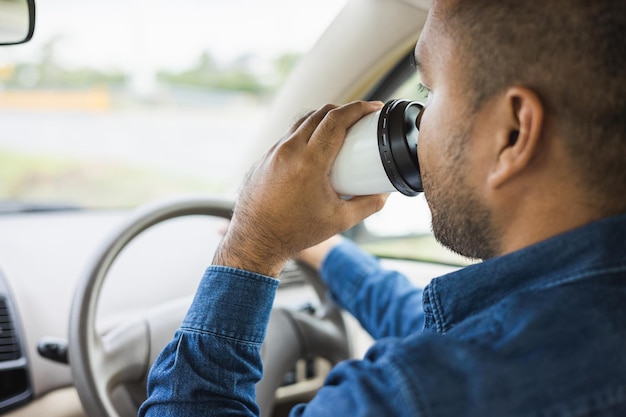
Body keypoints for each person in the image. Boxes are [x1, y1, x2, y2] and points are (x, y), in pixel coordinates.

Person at [139, 0, 626, 415]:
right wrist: (324, 253)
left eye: (428, 92)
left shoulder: (408, 396)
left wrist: (251, 249)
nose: (417, 128)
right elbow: (443, 327)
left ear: (512, 134)